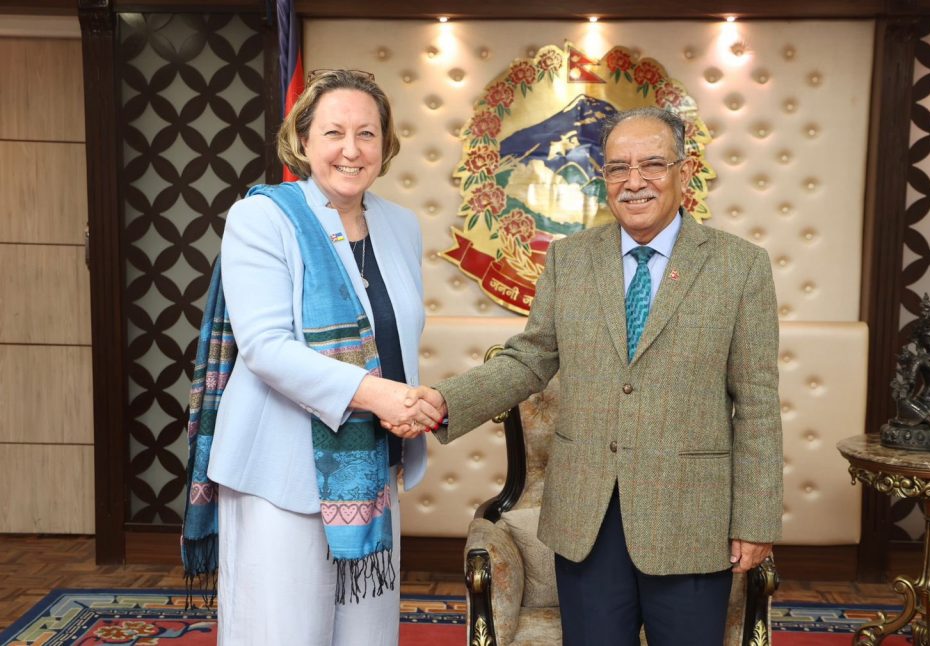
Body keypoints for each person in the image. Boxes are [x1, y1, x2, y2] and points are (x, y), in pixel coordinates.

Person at [406, 107, 783, 645]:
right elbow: (529, 358)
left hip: (690, 516)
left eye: (652, 164)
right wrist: (444, 402)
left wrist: (756, 520)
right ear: (602, 176)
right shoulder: (570, 260)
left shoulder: (738, 266)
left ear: (685, 169)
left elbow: (758, 403)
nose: (634, 182)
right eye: (617, 168)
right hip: (586, 517)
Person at [183, 69, 442, 646]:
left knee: (368, 636)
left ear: (386, 143)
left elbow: (395, 341)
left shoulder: (401, 225)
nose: (351, 150)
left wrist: (407, 404)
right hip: (279, 473)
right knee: (284, 634)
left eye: (367, 134)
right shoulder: (263, 218)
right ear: (301, 141)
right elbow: (266, 348)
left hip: (371, 467)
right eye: (333, 133)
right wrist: (382, 397)